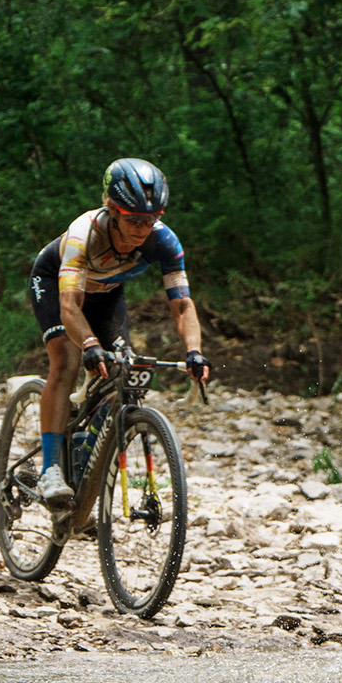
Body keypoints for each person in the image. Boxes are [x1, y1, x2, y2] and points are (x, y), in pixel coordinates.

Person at [29, 158, 211, 508]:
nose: (144, 228)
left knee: (124, 371)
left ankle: (84, 466)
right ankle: (51, 468)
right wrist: (90, 344)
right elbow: (70, 307)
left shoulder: (165, 241)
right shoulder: (85, 233)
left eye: (152, 218)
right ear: (112, 210)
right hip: (57, 285)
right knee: (67, 360)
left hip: (107, 293)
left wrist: (194, 351)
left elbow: (182, 304)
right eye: (134, 219)